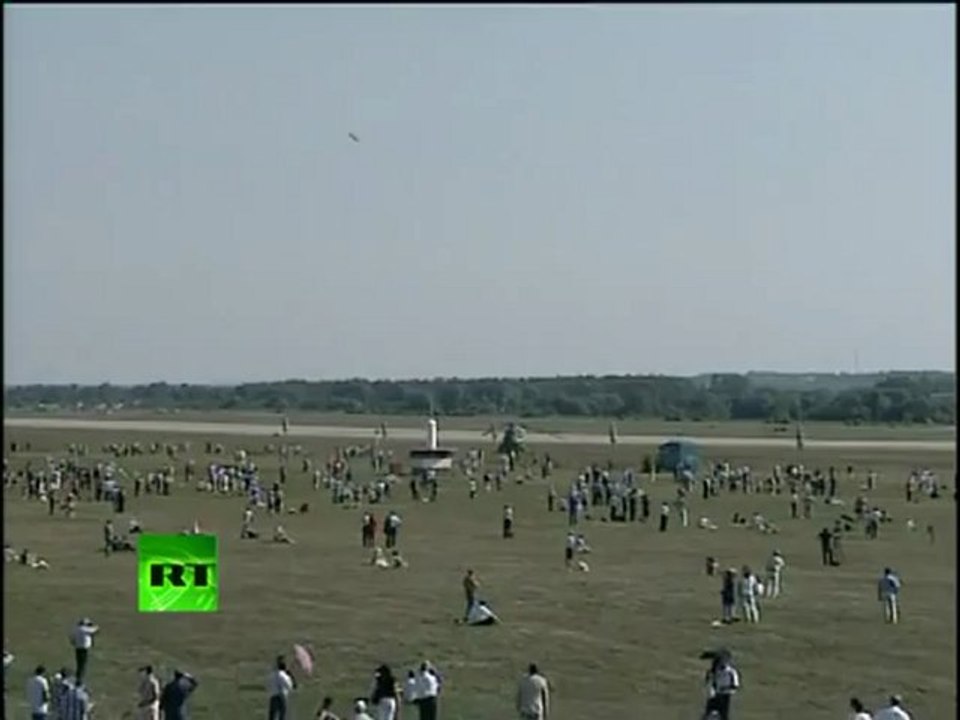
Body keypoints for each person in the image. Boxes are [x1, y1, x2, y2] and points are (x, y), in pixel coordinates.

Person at [702, 650, 739, 720]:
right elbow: (710, 682)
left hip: (724, 696)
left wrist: (725, 689)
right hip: (715, 694)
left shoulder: (731, 672)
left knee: (723, 715)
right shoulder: (715, 671)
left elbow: (735, 686)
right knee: (708, 714)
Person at [69, 619, 98, 684]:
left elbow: (71, 639)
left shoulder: (76, 629)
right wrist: (93, 625)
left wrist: (75, 643)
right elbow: (95, 630)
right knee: (83, 664)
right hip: (84, 649)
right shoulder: (84, 629)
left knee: (79, 663)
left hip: (78, 648)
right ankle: (80, 679)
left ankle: (78, 677)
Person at [268, 656, 296, 720]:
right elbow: (289, 686)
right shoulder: (284, 676)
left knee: (272, 715)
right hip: (282, 697)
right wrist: (290, 676)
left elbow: (269, 685)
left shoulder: (272, 675)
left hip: (273, 696)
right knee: (282, 715)